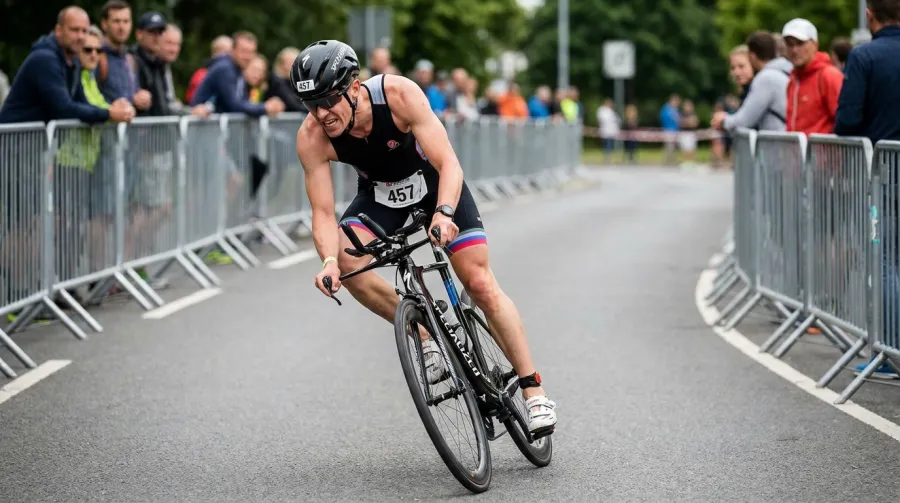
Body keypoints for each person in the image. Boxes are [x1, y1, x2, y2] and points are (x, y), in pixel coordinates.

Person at [291, 40, 558, 436]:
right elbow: (323, 213)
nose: (322, 114)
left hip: (436, 185)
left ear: (354, 85)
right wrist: (328, 260)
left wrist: (446, 213)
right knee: (347, 260)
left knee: (481, 284)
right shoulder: (313, 135)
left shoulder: (398, 95)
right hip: (382, 196)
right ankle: (424, 333)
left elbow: (448, 163)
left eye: (329, 100)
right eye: (312, 105)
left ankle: (534, 393)